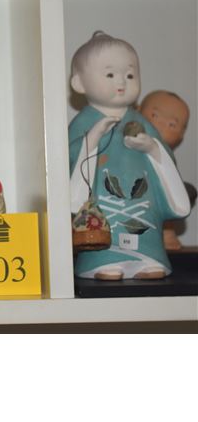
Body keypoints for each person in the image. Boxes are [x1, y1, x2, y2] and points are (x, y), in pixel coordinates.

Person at [69, 31, 190, 280]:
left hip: (143, 203)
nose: (121, 82)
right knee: (103, 228)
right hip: (104, 206)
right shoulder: (84, 121)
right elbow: (68, 156)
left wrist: (151, 147)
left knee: (144, 229)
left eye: (130, 75)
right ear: (79, 83)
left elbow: (165, 156)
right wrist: (93, 137)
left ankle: (148, 261)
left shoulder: (141, 121)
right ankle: (103, 262)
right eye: (110, 74)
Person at [139, 90, 196, 250]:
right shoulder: (126, 145)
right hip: (132, 194)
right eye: (155, 116)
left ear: (180, 136)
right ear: (136, 111)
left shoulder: (167, 155)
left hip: (158, 198)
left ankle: (167, 232)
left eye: (172, 124)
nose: (161, 125)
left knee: (175, 193)